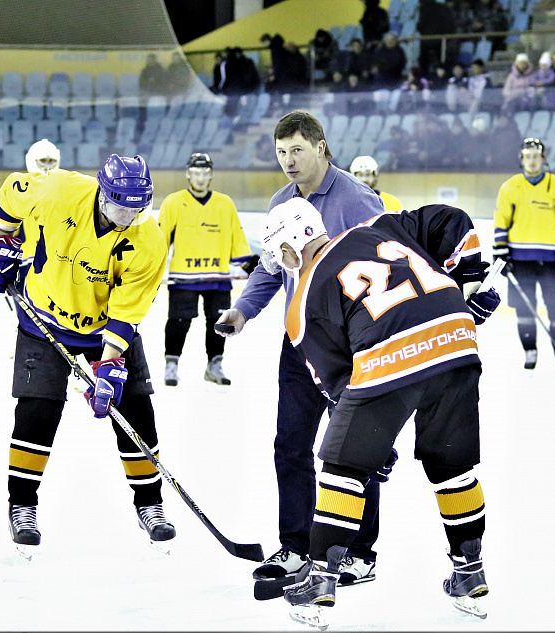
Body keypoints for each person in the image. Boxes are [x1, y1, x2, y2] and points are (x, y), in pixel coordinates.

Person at [259, 198, 499, 624]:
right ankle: (469, 571)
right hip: (458, 342)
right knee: (452, 467)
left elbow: (337, 383)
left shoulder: (302, 306)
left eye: (280, 253)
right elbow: (453, 221)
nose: (281, 263)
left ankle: (319, 579)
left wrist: (366, 441)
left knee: (341, 468)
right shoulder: (378, 226)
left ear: (292, 246)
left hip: (390, 357)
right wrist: (468, 284)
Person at [214, 111, 388, 588]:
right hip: (299, 345)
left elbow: (387, 267)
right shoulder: (281, 202)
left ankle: (358, 552)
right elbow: (271, 270)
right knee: (290, 445)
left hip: (349, 348)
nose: (288, 161)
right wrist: (242, 313)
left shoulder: (357, 200)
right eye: (280, 152)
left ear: (320, 147)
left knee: (353, 448)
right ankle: (294, 547)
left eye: (296, 150)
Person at [0, 153, 176, 557]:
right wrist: (0, 239)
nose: (128, 217)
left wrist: (111, 365)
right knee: (37, 412)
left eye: (137, 210)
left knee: (136, 410)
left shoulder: (149, 238)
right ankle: (23, 506)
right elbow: (12, 194)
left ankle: (149, 504)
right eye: (121, 207)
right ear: (103, 195)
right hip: (42, 317)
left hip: (105, 326)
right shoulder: (58, 190)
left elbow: (127, 312)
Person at [157, 152, 255, 387]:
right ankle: (172, 364)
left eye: (205, 173)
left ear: (211, 175)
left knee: (219, 321)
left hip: (217, 276)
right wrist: (149, 266)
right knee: (179, 320)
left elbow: (236, 239)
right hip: (184, 276)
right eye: (196, 172)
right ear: (188, 174)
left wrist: (248, 263)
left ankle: (214, 365)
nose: (200, 178)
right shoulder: (173, 202)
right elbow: (159, 240)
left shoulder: (224, 203)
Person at [492, 138, 555, 371]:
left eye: (536, 156)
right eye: (527, 156)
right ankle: (530, 351)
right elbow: (501, 222)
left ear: (543, 159)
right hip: (520, 260)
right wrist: (501, 253)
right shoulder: (510, 187)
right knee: (525, 310)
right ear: (521, 159)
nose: (531, 161)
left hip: (551, 261)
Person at [13, 139, 61, 289]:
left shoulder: (65, 193)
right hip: (24, 270)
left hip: (57, 269)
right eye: (42, 161)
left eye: (51, 161)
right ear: (32, 161)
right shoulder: (17, 192)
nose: (47, 166)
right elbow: (2, 233)